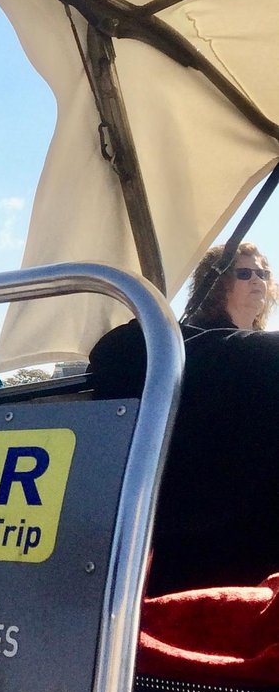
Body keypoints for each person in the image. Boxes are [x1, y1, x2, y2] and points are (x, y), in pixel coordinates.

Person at [89, 242, 277, 595]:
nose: (258, 281)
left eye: (263, 273)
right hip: (200, 529)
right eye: (244, 273)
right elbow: (113, 352)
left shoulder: (256, 350)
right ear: (216, 282)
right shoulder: (175, 342)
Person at [180, 241, 274, 330]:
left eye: (261, 274)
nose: (257, 280)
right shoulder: (197, 335)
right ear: (220, 283)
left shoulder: (265, 341)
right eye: (244, 273)